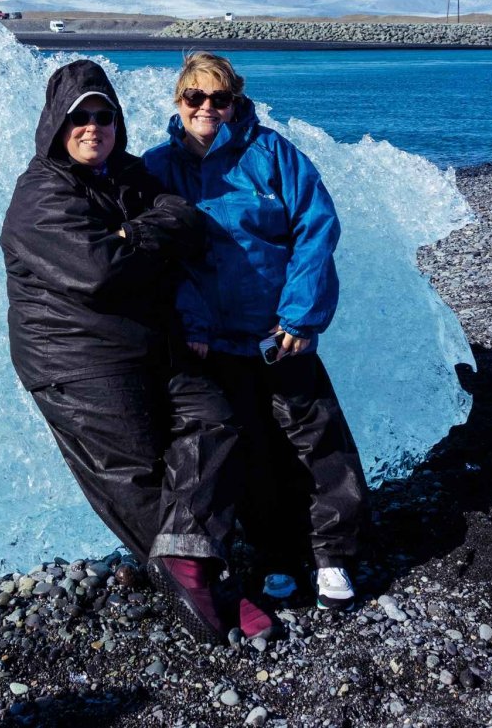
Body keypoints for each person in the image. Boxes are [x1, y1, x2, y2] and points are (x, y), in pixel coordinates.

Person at [0, 58, 275, 642]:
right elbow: (100, 271)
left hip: (148, 339)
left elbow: (187, 219)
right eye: (80, 117)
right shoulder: (39, 196)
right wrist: (139, 238)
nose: (93, 128)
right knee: (134, 473)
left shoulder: (126, 173)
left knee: (216, 421)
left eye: (104, 116)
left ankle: (189, 562)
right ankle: (217, 590)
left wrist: (136, 232)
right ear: (56, 124)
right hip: (72, 357)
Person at [143, 51, 371, 610]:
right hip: (213, 341)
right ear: (179, 102)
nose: (207, 108)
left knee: (318, 442)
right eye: (195, 97)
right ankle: (274, 556)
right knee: (250, 453)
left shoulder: (274, 155)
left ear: (236, 100)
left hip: (277, 333)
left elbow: (316, 229)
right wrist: (189, 323)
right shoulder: (158, 169)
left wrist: (300, 314)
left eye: (219, 98)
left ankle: (332, 555)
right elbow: (162, 258)